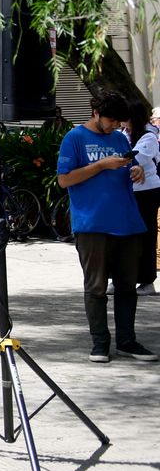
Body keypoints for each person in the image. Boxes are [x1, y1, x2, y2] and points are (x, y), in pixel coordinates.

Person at [57, 91, 156, 363]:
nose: (116, 126)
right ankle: (100, 343)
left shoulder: (118, 139)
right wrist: (100, 165)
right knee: (96, 287)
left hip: (127, 222)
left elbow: (131, 168)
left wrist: (138, 171)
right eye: (111, 120)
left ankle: (127, 341)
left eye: (119, 121)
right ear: (96, 113)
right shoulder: (74, 138)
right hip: (92, 224)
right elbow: (64, 180)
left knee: (126, 287)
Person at [126, 100, 160, 296]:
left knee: (146, 235)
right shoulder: (123, 134)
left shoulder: (148, 137)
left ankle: (147, 280)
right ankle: (120, 277)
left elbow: (134, 158)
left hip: (146, 191)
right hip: (127, 191)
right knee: (123, 235)